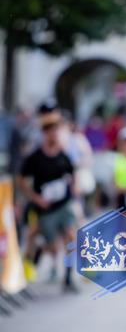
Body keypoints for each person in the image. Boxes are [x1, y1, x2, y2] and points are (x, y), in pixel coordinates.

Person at [18, 104, 78, 292]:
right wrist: (36, 198)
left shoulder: (63, 155)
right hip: (46, 208)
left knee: (71, 237)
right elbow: (21, 180)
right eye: (52, 131)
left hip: (64, 204)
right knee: (52, 246)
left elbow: (72, 172)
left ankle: (68, 278)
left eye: (57, 131)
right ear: (45, 133)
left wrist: (72, 186)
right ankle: (38, 252)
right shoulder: (35, 158)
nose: (55, 134)